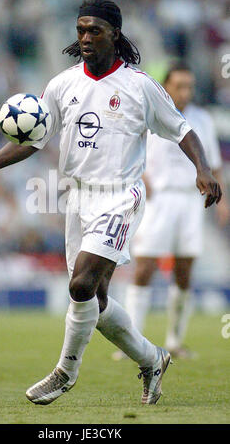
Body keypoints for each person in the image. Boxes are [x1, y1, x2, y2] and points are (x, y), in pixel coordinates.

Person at [0, 0, 222, 405]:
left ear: (115, 33)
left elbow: (183, 130)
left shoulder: (139, 86)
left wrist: (204, 169)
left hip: (120, 196)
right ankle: (151, 359)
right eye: (80, 30)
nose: (86, 38)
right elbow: (33, 140)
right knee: (97, 299)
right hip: (78, 199)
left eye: (95, 30)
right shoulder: (62, 85)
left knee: (80, 284)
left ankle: (65, 371)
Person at [114, 63, 229, 361]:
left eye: (189, 86)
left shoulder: (202, 119)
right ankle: (132, 341)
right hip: (158, 200)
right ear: (165, 88)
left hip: (191, 201)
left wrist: (224, 202)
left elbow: (213, 163)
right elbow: (129, 151)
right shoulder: (151, 112)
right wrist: (142, 179)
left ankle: (175, 341)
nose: (185, 92)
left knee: (185, 271)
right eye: (179, 86)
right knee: (144, 267)